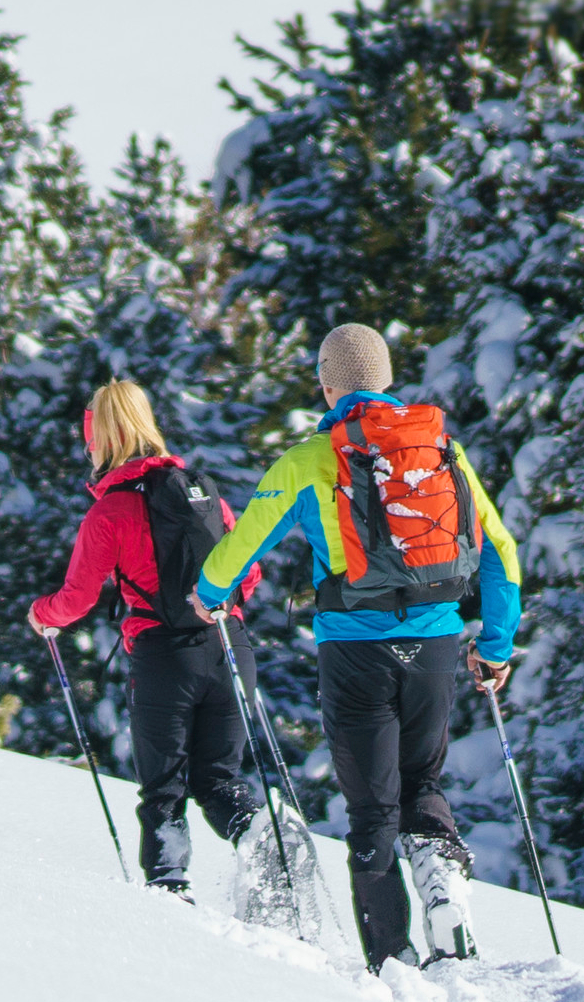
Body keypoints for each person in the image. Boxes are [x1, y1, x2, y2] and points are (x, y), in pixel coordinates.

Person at [193, 325, 525, 967]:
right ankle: (444, 885)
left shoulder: (309, 460)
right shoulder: (441, 451)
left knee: (372, 811)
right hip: (433, 647)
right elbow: (501, 551)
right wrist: (496, 646)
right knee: (421, 781)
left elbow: (240, 547)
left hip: (353, 652)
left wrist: (208, 595)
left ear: (327, 386)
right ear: (387, 378)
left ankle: (391, 961)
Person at [26, 379, 273, 902]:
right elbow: (247, 576)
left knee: (164, 790)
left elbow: (77, 600)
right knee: (218, 780)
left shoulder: (110, 511)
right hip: (230, 648)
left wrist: (40, 614)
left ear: (99, 439)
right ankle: (260, 835)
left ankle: (169, 892)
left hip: (165, 660)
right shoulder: (201, 492)